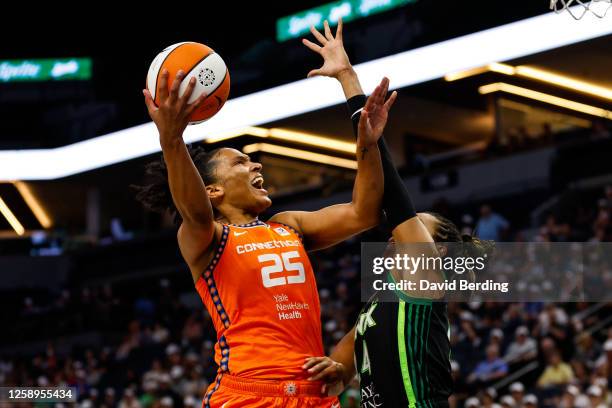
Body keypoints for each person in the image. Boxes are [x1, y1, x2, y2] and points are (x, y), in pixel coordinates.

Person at [136, 52, 395, 407]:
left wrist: (363, 130)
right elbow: (194, 211)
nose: (255, 162)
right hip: (248, 395)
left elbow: (364, 212)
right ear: (213, 190)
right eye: (240, 162)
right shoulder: (206, 238)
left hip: (314, 393)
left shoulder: (288, 226)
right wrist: (172, 141)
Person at [300, 19, 492, 407]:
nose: (397, 233)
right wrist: (337, 373)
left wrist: (349, 81)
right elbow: (339, 371)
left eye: (417, 228)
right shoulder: (379, 302)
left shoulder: (426, 280)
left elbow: (394, 198)